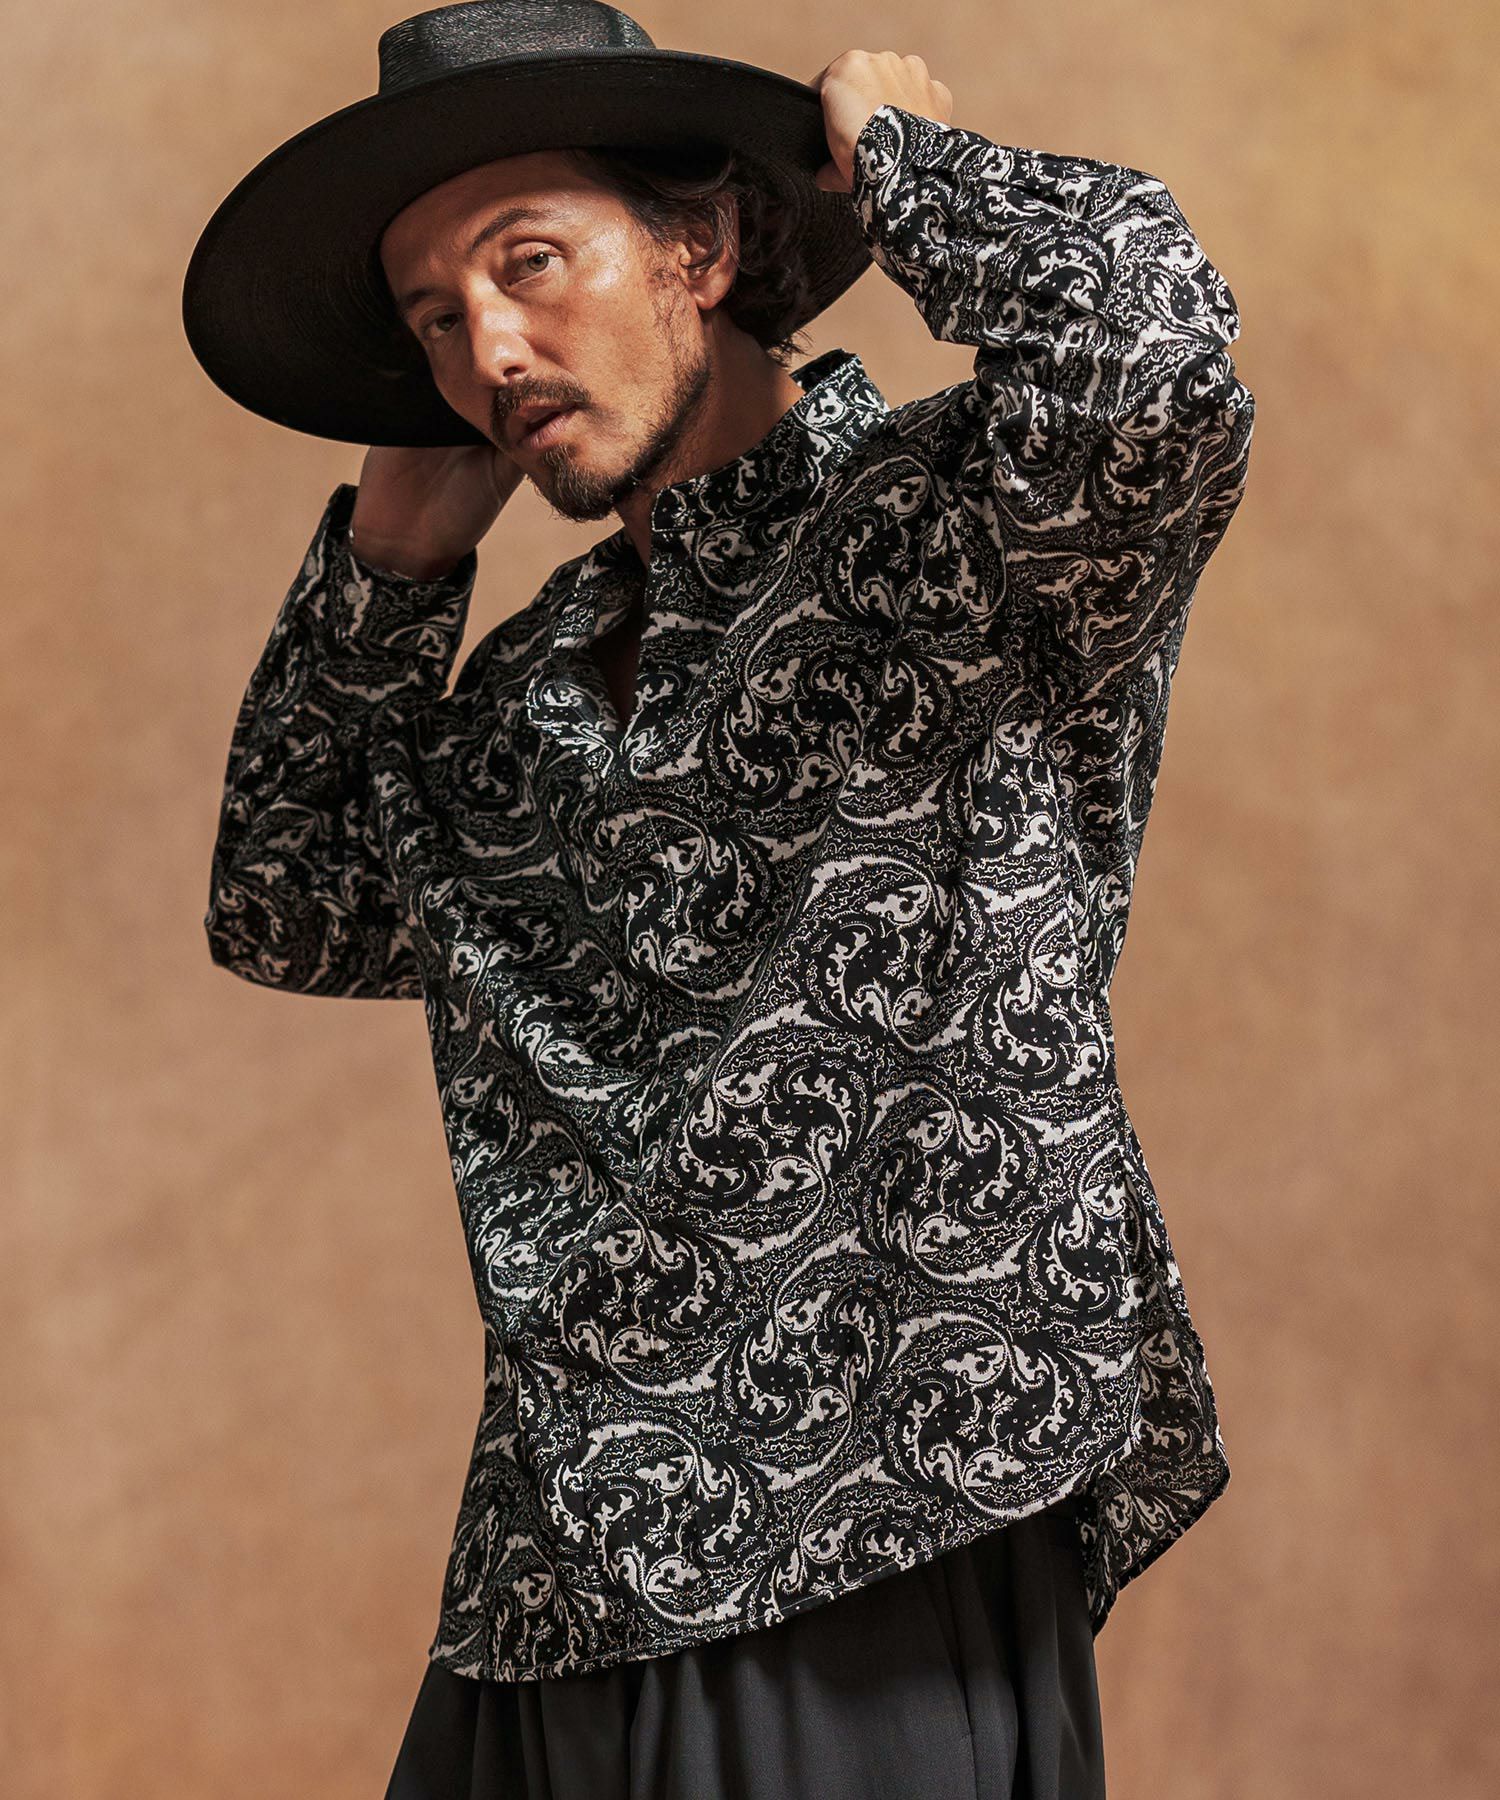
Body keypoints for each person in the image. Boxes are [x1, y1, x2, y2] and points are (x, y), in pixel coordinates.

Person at [185, 4, 1255, 1795]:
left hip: (881, 1512)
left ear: (708, 244)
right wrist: (391, 565)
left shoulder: (955, 529)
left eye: (530, 263)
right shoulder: (523, 697)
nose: (490, 351)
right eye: (436, 318)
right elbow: (284, 903)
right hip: (551, 1579)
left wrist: (914, 168)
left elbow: (1157, 366)